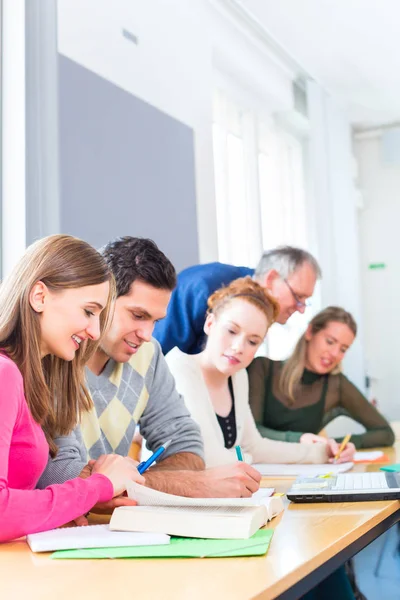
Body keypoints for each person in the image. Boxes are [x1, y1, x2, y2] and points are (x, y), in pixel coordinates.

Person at [38, 237, 261, 499]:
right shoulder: (56, 355)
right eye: (138, 315)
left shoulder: (148, 353)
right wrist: (191, 485)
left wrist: (129, 483)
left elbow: (186, 447)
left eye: (155, 320)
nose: (146, 334)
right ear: (102, 299)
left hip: (110, 523)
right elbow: (61, 475)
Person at [0, 234, 146, 543]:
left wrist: (85, 496)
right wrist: (97, 486)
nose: (94, 332)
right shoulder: (3, 374)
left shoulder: (30, 380)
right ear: (39, 296)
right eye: (89, 311)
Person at [165, 278, 354, 467]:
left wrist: (323, 452)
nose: (239, 347)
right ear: (210, 324)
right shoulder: (179, 367)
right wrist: (247, 458)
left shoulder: (238, 376)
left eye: (253, 341)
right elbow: (209, 457)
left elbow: (255, 447)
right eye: (231, 331)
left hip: (220, 495)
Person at [247, 306, 394, 449]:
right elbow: (250, 433)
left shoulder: (337, 385)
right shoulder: (262, 368)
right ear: (310, 332)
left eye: (343, 349)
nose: (335, 353)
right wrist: (299, 439)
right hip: (256, 468)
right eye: (330, 341)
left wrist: (336, 445)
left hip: (302, 470)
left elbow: (385, 433)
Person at [154, 246, 321, 355]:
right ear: (271, 278)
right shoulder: (202, 287)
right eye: (298, 296)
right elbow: (155, 358)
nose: (301, 309)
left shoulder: (262, 310)